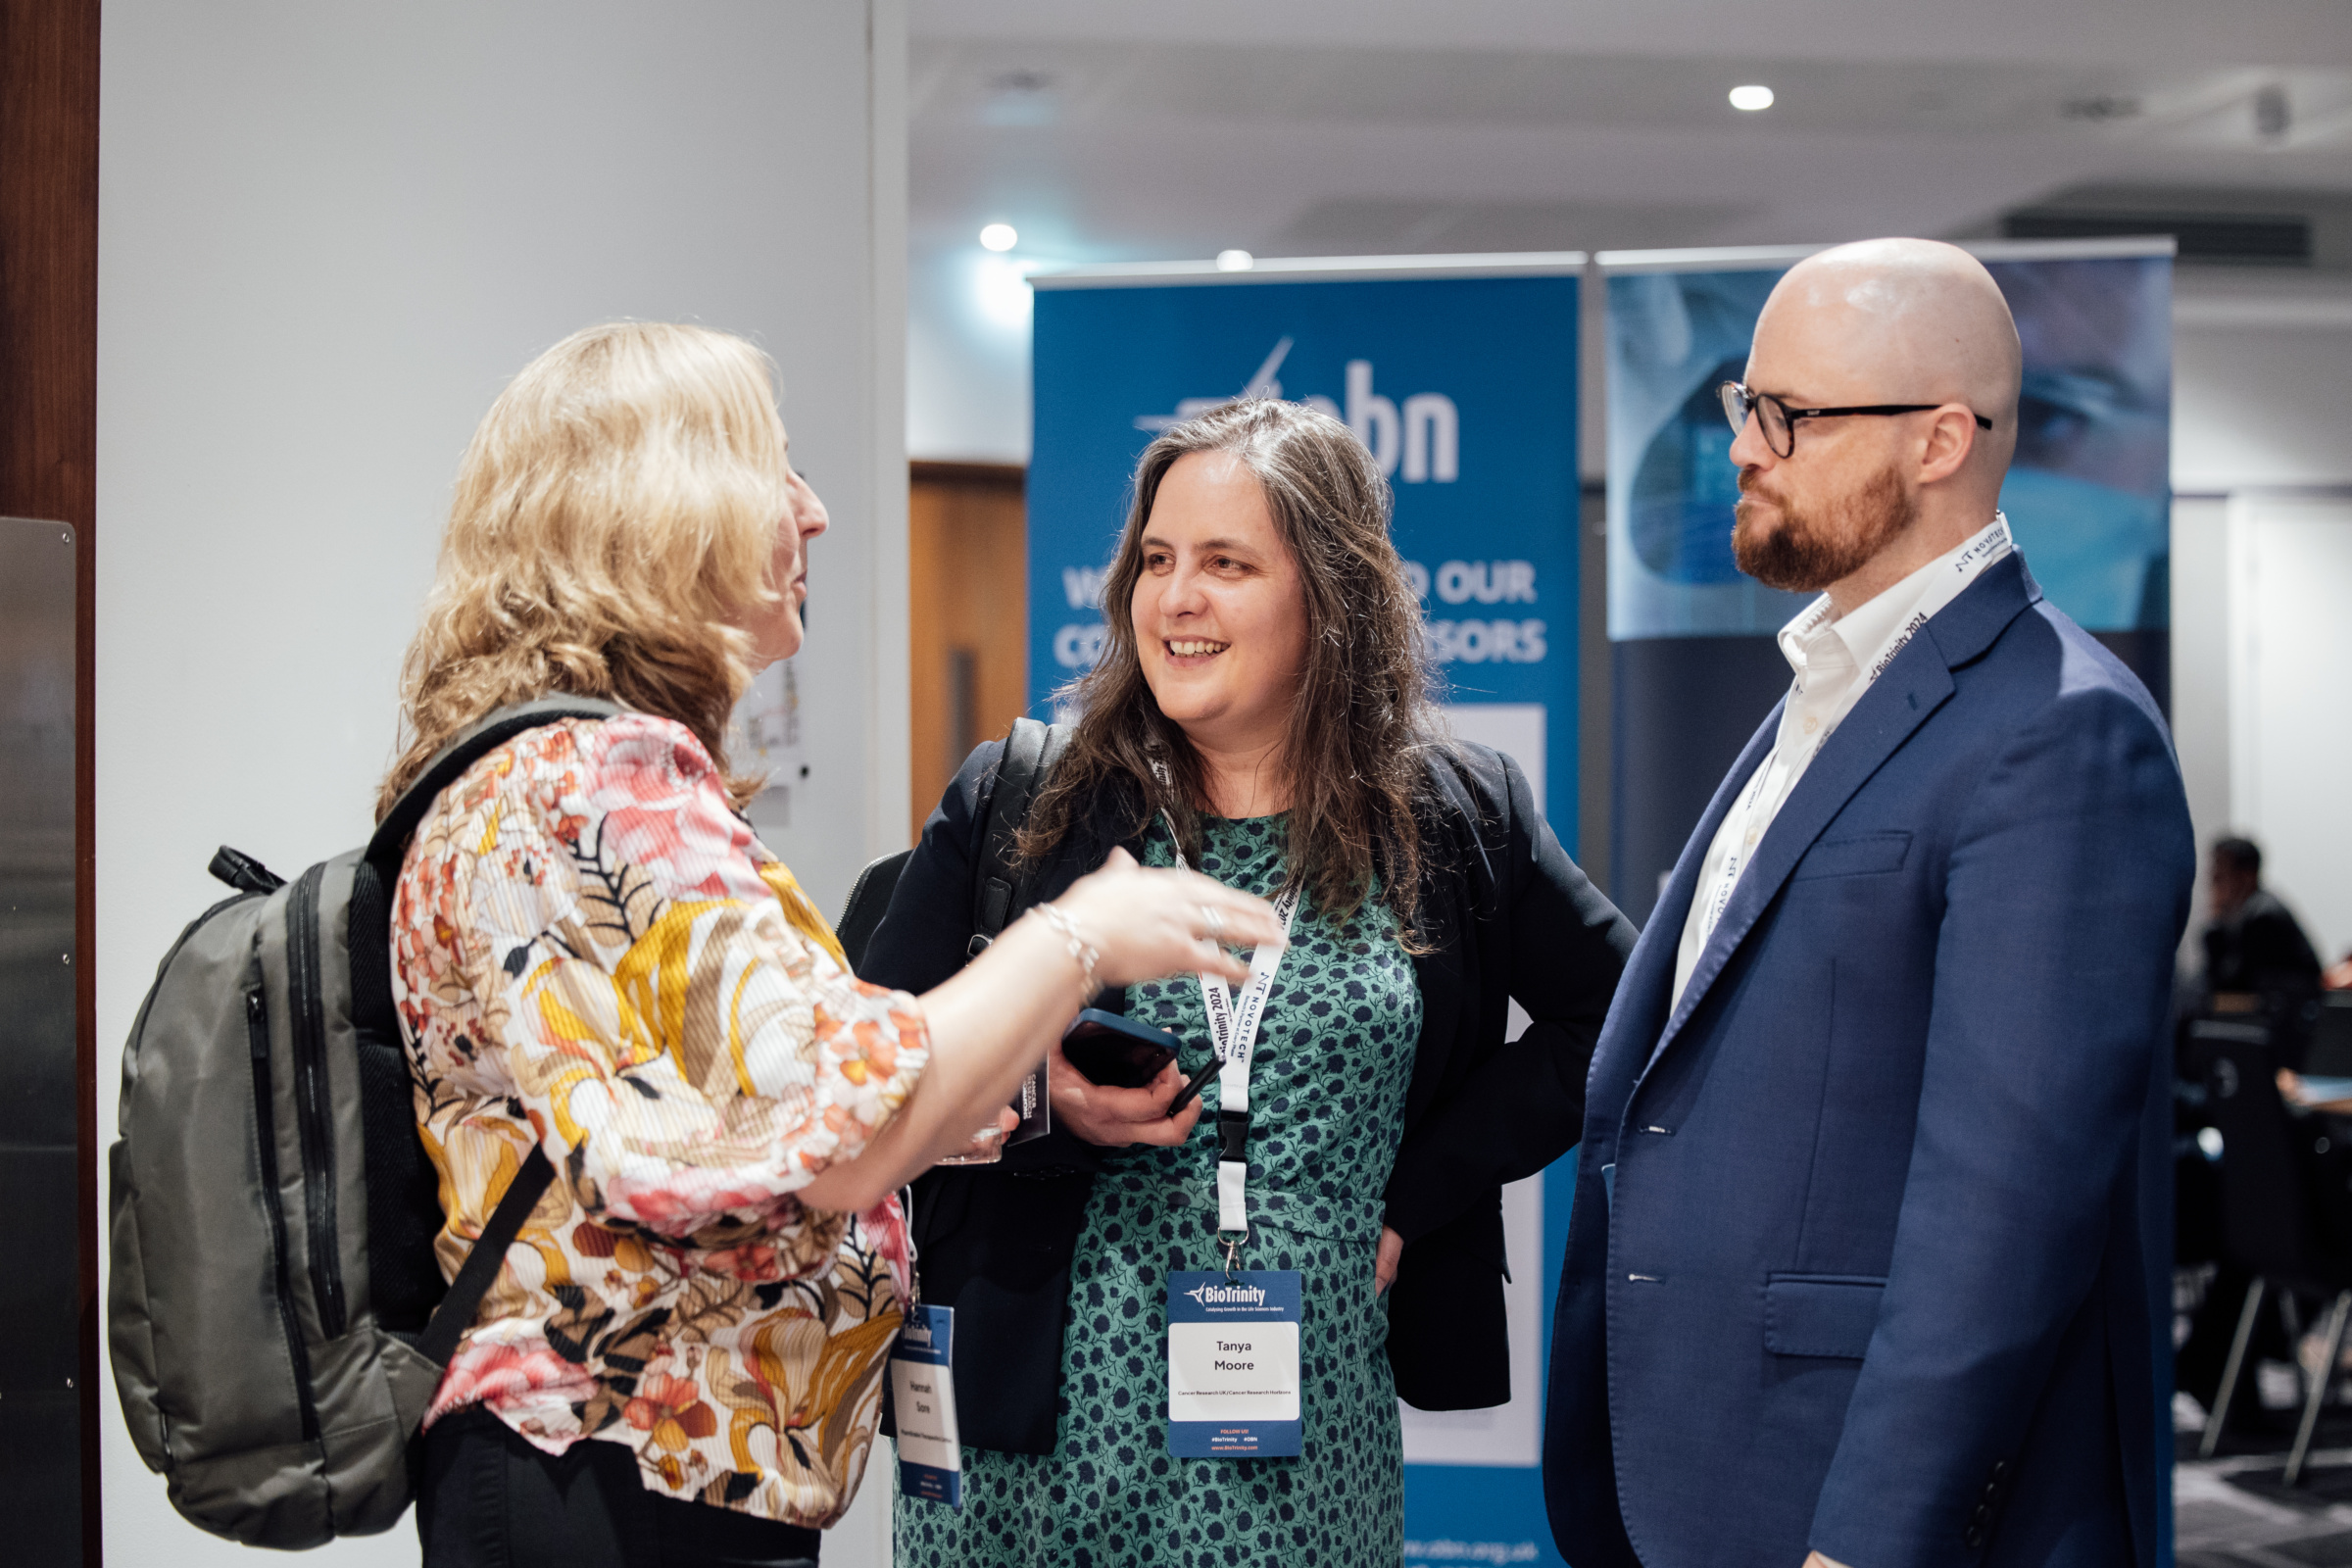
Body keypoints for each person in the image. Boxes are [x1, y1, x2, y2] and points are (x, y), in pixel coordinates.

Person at [380, 321, 1284, 1568]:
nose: (810, 512)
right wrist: (1078, 937)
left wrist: (989, 1085)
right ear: (661, 507)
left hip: (632, 1470)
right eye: (777, 470)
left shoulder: (547, 772)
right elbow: (835, 1127)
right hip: (622, 1475)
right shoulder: (605, 776)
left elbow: (734, 1117)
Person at [860, 398, 1635, 1566]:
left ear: (1330, 597)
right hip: (1033, 1456)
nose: (1177, 599)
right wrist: (1037, 1097)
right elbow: (864, 1066)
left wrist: (1416, 1191)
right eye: (1158, 561)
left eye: (1227, 564)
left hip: (1303, 1451)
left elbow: (1619, 1020)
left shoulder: (1450, 814)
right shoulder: (1027, 800)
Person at [1543, 240, 2194, 1567]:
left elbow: (2005, 1212)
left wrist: (1871, 1540)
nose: (1744, 447)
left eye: (1791, 413)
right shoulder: (1824, 692)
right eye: (1743, 407)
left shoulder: (2059, 734)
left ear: (1941, 439)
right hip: (1708, 1471)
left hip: (1866, 1511)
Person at [2200, 835, 2322, 1008]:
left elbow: (2234, 983)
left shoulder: (2264, 918)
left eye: (2221, 871)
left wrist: (2215, 926)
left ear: (2246, 875)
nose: (2213, 878)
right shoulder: (2251, 911)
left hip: (2287, 1020)